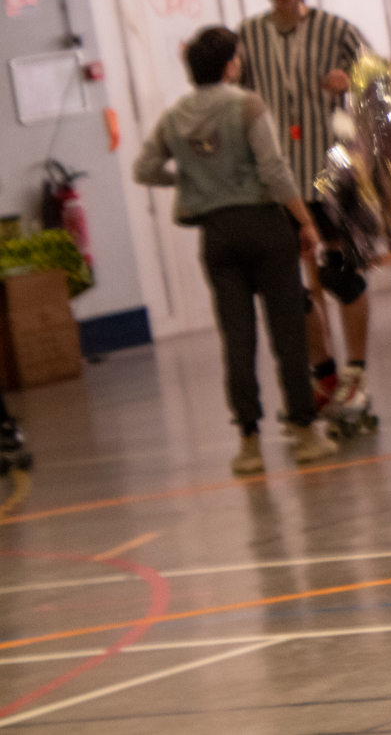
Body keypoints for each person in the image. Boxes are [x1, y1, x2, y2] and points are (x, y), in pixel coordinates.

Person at [134, 26, 339, 476]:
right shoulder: (247, 105)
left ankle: (248, 445)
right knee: (288, 333)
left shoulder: (173, 117)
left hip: (216, 235)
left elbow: (144, 169)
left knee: (237, 339)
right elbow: (274, 168)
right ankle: (305, 433)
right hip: (264, 226)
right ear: (230, 65)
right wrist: (305, 221)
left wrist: (189, 180)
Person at [236, 0, 375, 426]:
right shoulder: (248, 35)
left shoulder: (336, 29)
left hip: (332, 172)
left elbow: (383, 80)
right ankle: (325, 377)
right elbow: (231, 92)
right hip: (280, 181)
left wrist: (352, 81)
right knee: (289, 289)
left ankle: (356, 375)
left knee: (340, 275)